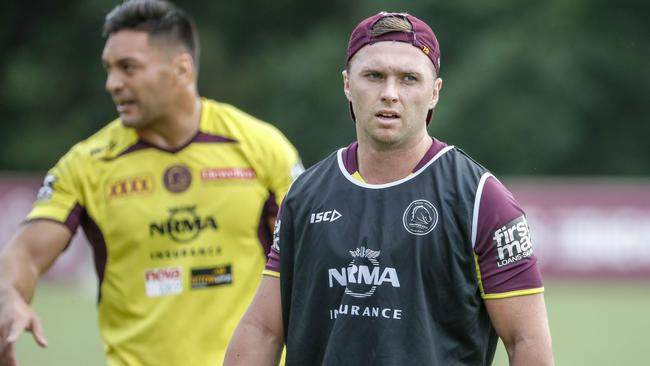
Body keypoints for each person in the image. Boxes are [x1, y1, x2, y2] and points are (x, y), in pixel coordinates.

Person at [224, 11, 554, 366]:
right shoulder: (304, 195)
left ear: (434, 93)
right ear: (348, 84)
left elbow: (526, 340)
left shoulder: (480, 198)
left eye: (409, 79)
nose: (390, 94)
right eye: (374, 76)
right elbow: (264, 330)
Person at [0, 0, 303, 365]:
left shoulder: (261, 147)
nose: (112, 83)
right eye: (109, 69)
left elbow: (306, 259)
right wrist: (9, 297)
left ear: (181, 69)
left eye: (128, 68)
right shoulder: (85, 164)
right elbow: (26, 256)